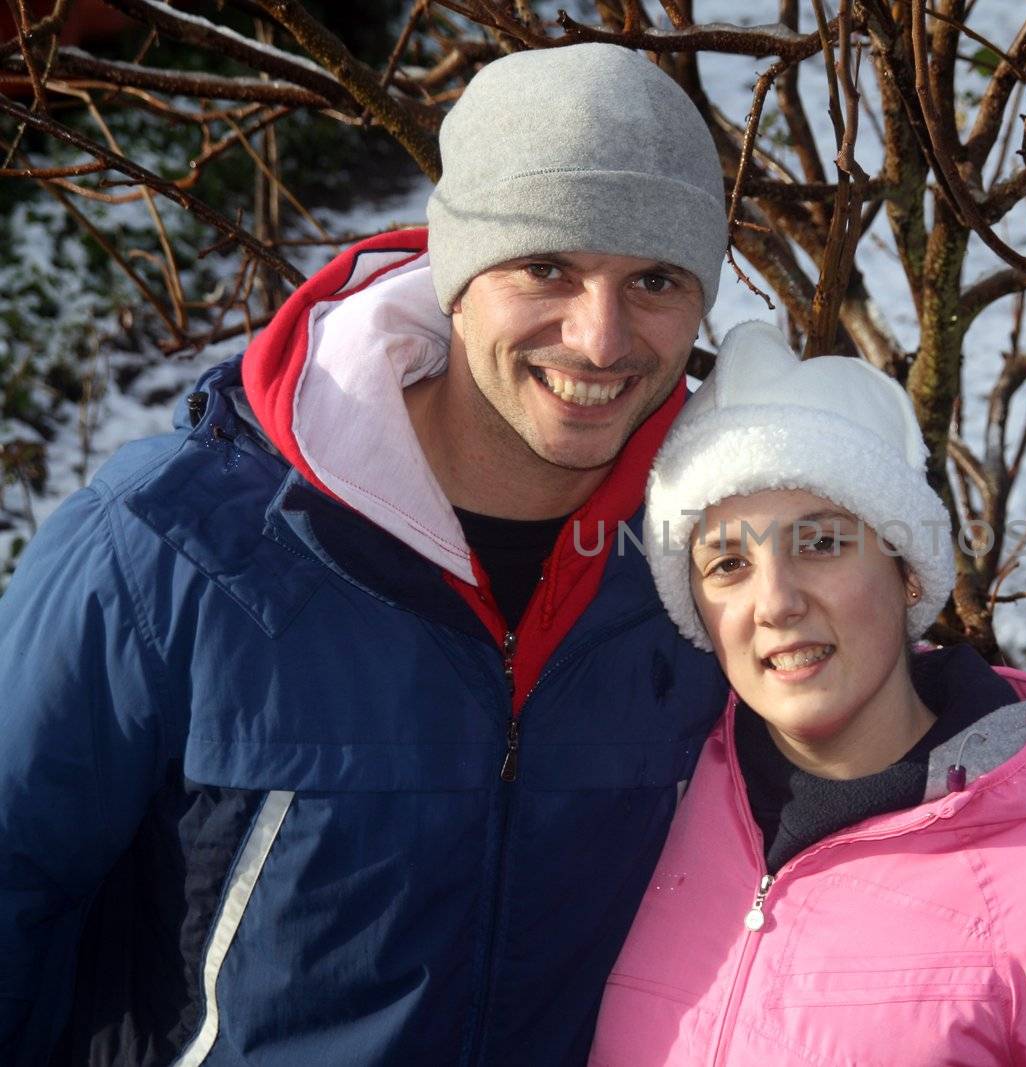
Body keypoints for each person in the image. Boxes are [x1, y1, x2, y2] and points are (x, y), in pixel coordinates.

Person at [0, 44, 731, 1065]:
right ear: (457, 273)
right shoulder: (172, 547)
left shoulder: (721, 568)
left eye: (653, 278)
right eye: (546, 267)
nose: (600, 338)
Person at [589, 321, 1026, 1065]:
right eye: (728, 563)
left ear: (910, 572)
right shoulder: (653, 806)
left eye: (820, 543)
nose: (776, 601)